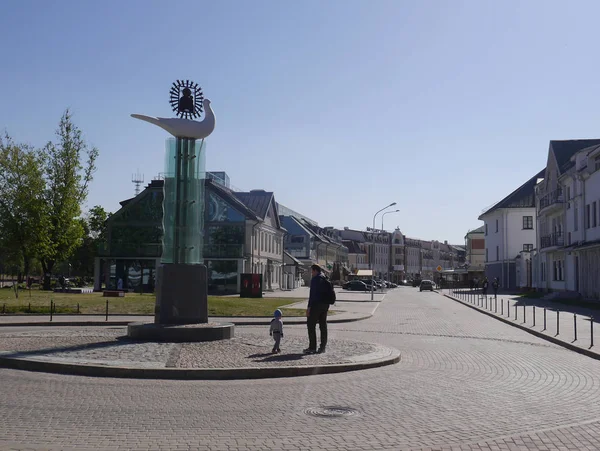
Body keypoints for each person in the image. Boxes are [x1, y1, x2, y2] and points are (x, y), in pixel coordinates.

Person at [305, 264, 330, 354]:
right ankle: (322, 347)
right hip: (325, 305)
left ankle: (312, 347)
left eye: (312, 271)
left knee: (311, 325)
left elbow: (312, 295)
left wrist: (309, 308)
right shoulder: (325, 278)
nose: (311, 273)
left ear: (315, 271)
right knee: (323, 326)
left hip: (316, 305)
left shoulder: (315, 279)